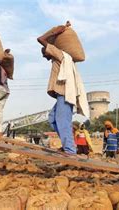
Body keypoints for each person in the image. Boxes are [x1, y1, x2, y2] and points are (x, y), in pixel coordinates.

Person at [37, 24, 89, 155]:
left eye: (44, 51)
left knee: (62, 121)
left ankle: (70, 150)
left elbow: (41, 39)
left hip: (65, 94)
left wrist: (54, 32)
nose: (43, 55)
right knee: (52, 119)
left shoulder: (59, 54)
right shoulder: (61, 59)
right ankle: (68, 146)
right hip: (62, 94)